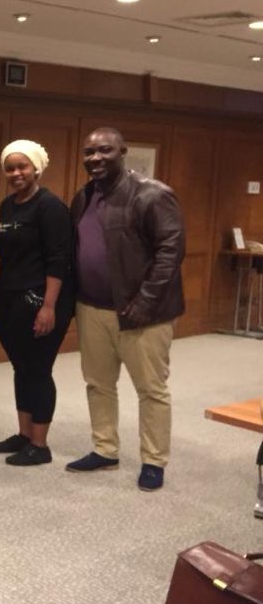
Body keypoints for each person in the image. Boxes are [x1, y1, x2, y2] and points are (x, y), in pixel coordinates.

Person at [66, 127, 185, 492]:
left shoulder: (152, 194)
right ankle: (105, 449)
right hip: (92, 308)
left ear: (123, 151)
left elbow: (171, 251)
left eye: (104, 150)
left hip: (141, 312)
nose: (95, 158)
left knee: (150, 388)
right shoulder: (84, 195)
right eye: (89, 152)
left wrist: (146, 300)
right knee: (98, 384)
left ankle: (153, 460)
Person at [0, 140, 73, 466]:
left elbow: (59, 260)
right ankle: (24, 435)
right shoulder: (6, 206)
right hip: (11, 296)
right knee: (21, 367)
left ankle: (40, 445)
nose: (16, 173)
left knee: (38, 369)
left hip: (42, 298)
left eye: (22, 166)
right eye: (10, 168)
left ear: (36, 168)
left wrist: (48, 306)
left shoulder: (50, 206)